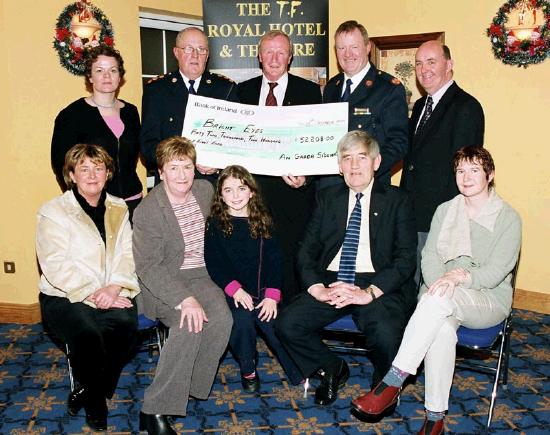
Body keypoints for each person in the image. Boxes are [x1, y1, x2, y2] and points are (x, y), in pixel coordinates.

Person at [351, 146, 521, 435]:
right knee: (441, 330)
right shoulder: (446, 210)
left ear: (490, 175)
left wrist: (459, 277)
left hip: (486, 299)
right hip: (439, 296)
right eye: (460, 171)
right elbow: (428, 258)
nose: (466, 177)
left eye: (474, 170)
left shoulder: (508, 218)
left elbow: (494, 273)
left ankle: (393, 379)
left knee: (441, 297)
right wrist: (440, 282)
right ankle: (435, 418)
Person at [276, 130, 417, 407]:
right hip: (333, 280)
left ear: (376, 162)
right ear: (339, 167)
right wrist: (316, 287)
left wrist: (370, 292)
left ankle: (383, 386)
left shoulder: (398, 200)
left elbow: (405, 259)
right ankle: (331, 367)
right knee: (287, 324)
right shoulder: (328, 197)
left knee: (386, 331)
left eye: (362, 158)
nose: (354, 166)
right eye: (347, 159)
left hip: (376, 282)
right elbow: (306, 249)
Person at [132, 136, 232, 435]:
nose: (182, 175)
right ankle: (155, 409)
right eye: (173, 168)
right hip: (163, 281)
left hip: (201, 275)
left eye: (187, 167)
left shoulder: (203, 190)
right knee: (191, 323)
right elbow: (148, 267)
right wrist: (184, 299)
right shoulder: (148, 210)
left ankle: (187, 387)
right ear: (160, 172)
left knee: (222, 320)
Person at [37, 144, 139, 432]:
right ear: (71, 174)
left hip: (114, 289)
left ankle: (87, 388)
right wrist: (97, 292)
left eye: (99, 168)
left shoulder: (119, 207)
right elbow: (55, 265)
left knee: (124, 331)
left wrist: (116, 286)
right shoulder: (53, 212)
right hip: (65, 294)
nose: (92, 175)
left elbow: (128, 253)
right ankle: (96, 404)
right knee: (87, 336)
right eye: (84, 169)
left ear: (108, 173)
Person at [237, 30, 322, 302]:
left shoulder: (309, 91)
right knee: (252, 258)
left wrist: (306, 176)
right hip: (251, 196)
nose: (274, 59)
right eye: (269, 52)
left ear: (290, 57)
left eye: (281, 52)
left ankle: (288, 325)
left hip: (293, 197)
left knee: (289, 262)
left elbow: (318, 144)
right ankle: (255, 318)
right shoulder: (241, 91)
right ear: (259, 57)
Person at [204, 165, 303, 392]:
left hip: (261, 291)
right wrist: (235, 290)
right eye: (228, 190)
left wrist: (271, 295)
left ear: (251, 191)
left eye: (241, 188)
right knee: (242, 320)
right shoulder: (215, 224)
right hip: (231, 292)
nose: (236, 195)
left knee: (273, 324)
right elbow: (214, 263)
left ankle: (297, 369)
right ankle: (248, 367)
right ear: (220, 195)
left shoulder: (263, 220)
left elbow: (274, 259)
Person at [400, 41, 485, 284]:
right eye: (418, 63)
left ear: (449, 65)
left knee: (435, 285)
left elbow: (464, 171)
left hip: (441, 218)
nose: (423, 69)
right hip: (412, 214)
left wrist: (448, 220)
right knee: (412, 281)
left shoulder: (466, 107)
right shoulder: (418, 107)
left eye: (431, 62)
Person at [51, 45, 143, 217]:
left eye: (113, 70)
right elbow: (61, 166)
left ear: (120, 76)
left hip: (132, 203)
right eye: (99, 70)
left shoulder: (131, 112)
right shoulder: (71, 115)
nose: (107, 76)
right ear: (90, 76)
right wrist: (81, 203)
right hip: (93, 205)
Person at [140, 27, 239, 183]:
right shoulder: (157, 90)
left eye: (201, 49)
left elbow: (237, 140)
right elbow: (148, 146)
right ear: (176, 52)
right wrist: (181, 162)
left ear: (207, 55)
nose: (195, 55)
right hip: (173, 185)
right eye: (188, 49)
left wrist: (219, 163)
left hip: (215, 184)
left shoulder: (226, 89)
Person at [320, 20, 408, 189]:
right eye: (341, 48)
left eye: (354, 47)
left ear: (368, 47)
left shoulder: (387, 88)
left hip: (369, 188)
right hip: (329, 190)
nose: (347, 54)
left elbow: (399, 142)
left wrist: (369, 170)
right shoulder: (331, 87)